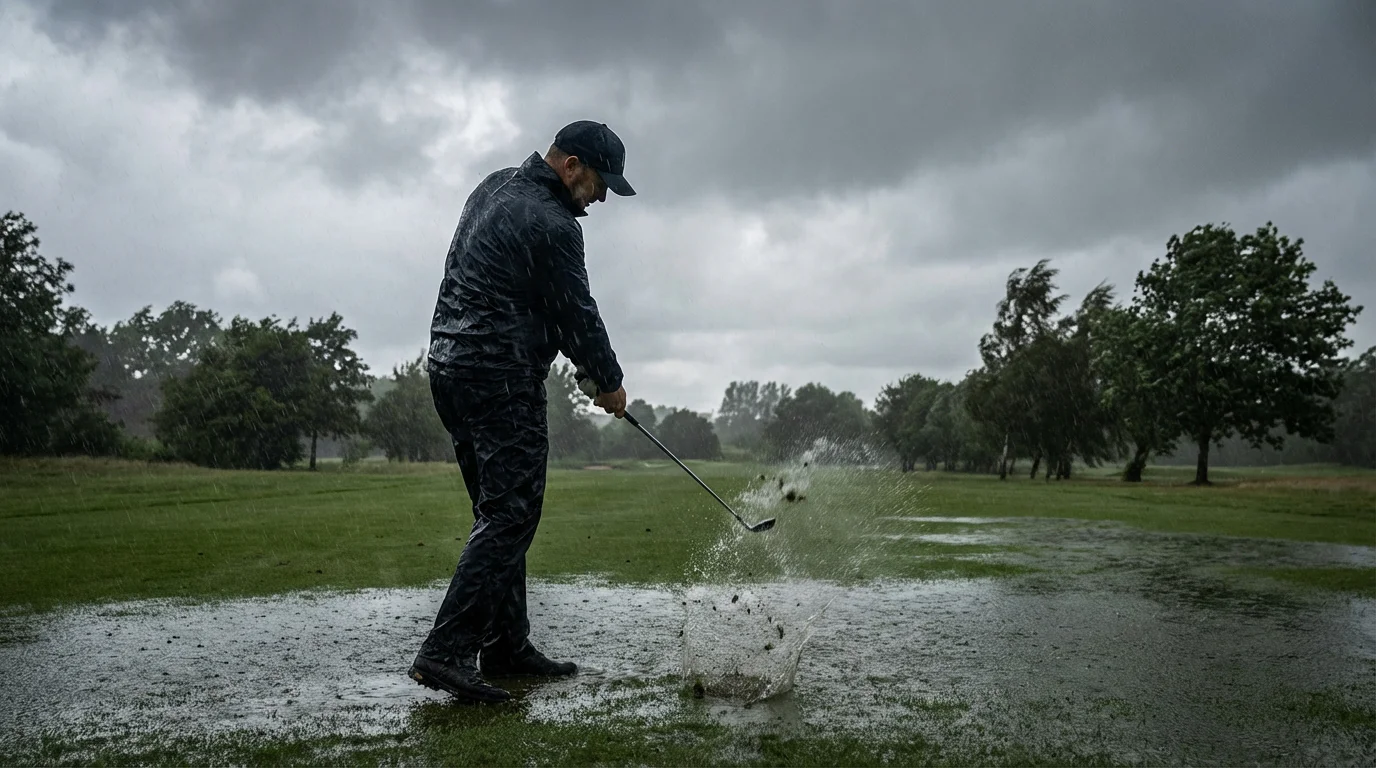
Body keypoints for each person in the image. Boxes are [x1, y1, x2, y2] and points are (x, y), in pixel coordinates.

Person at [408, 121, 635, 703]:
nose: (602, 196)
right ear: (572, 165)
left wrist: (581, 364)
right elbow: (575, 310)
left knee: (497, 513)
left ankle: (507, 645)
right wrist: (608, 381)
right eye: (601, 181)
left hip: (450, 369)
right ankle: (446, 652)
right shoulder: (554, 225)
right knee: (510, 516)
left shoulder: (493, 187)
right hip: (500, 376)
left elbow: (534, 297)